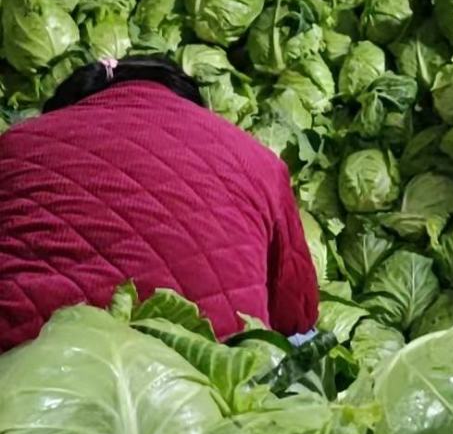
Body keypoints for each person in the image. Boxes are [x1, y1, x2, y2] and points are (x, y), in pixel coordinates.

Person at [0, 54, 319, 352]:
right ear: (188, 102)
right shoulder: (257, 158)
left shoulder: (16, 144)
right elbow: (297, 314)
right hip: (204, 386)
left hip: (35, 376)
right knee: (305, 339)